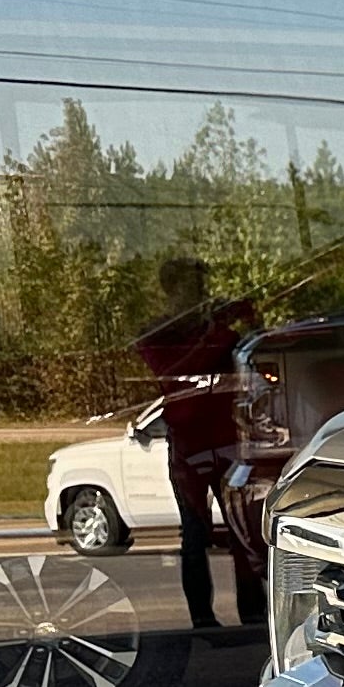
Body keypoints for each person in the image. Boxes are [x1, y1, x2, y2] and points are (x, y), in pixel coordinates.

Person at [132, 256, 265, 643]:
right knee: (194, 533)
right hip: (189, 446)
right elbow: (172, 376)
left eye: (201, 286)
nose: (199, 293)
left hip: (225, 439)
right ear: (171, 289)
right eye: (191, 286)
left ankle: (253, 613)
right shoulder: (159, 332)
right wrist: (215, 333)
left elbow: (256, 355)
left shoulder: (218, 328)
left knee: (242, 533)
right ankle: (202, 620)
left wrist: (248, 321)